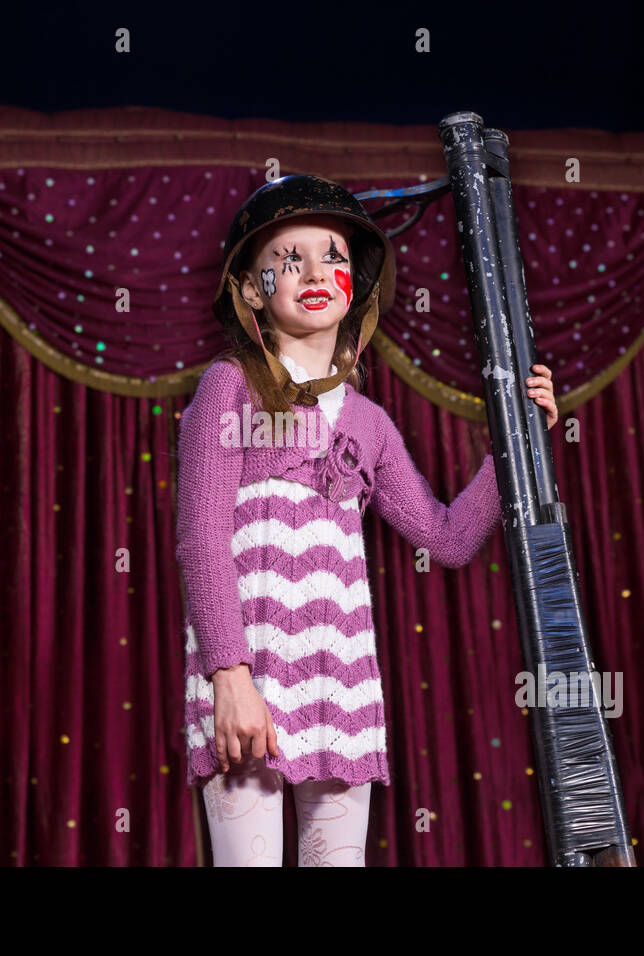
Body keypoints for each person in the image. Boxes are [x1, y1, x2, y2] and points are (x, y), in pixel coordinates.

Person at [176, 174, 558, 866]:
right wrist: (229, 678)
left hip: (340, 692)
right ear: (255, 288)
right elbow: (200, 539)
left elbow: (448, 538)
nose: (316, 272)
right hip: (248, 686)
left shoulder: (369, 425)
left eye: (334, 256)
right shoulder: (228, 387)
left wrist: (517, 442)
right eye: (290, 259)